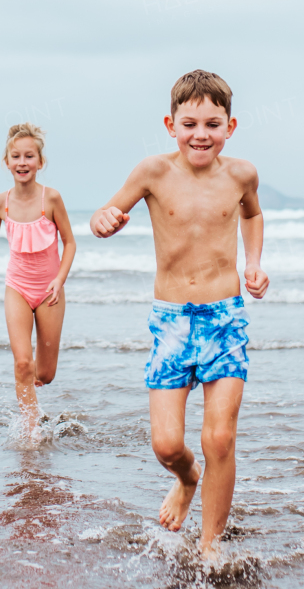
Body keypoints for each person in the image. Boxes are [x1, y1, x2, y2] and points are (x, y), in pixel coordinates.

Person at [90, 70, 268, 559]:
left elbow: (251, 215)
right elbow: (105, 212)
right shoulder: (153, 172)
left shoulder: (241, 175)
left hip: (225, 318)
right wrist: (103, 220)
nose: (201, 134)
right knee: (167, 445)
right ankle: (187, 480)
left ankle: (210, 547)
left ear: (230, 126)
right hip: (170, 322)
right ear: (171, 124)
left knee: (220, 437)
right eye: (190, 123)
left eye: (213, 123)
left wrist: (253, 264)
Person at [0, 123, 77, 434]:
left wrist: (60, 279)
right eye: (16, 156)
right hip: (18, 289)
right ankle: (31, 429)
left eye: (29, 156)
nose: (22, 162)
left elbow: (70, 242)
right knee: (23, 363)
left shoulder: (51, 199)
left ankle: (35, 396)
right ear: (7, 162)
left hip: (50, 291)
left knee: (46, 373)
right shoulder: (1, 203)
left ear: (40, 162)